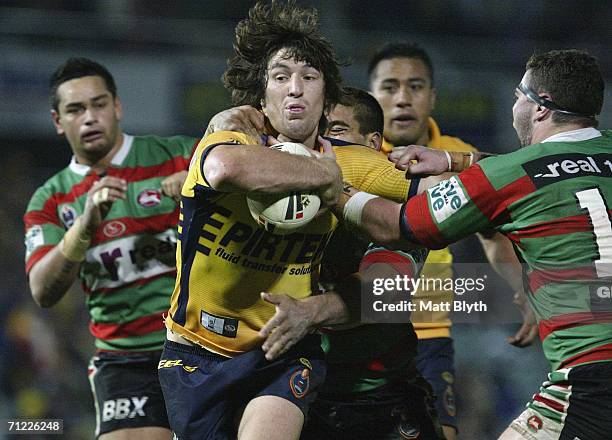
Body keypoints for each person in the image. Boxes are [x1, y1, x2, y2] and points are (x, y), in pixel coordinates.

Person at [156, 2, 443, 439]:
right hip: (195, 353)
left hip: (283, 351)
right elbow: (224, 171)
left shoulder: (353, 162)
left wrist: (461, 165)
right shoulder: (228, 140)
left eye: (309, 78)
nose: (295, 89)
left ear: (326, 100)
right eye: (281, 77)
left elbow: (445, 195)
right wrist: (323, 176)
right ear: (262, 96)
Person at [337, 49, 612, 440]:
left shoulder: (504, 176)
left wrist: (336, 189)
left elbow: (399, 225)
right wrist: (457, 161)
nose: (514, 102)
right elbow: (551, 166)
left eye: (520, 94)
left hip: (590, 381)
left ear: (540, 108)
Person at [23, 57, 198, 439]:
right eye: (75, 109)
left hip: (200, 342)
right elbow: (42, 290)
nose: (89, 117)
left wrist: (202, 188)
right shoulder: (50, 200)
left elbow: (250, 197)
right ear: (58, 121)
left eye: (98, 104)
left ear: (117, 107)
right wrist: (83, 228)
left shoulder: (179, 155)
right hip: (126, 361)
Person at [368, 42, 532, 439]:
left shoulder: (460, 156)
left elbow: (493, 236)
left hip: (427, 334)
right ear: (371, 95)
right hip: (354, 330)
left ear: (433, 95)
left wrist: (521, 292)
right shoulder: (350, 150)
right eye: (389, 87)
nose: (403, 98)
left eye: (416, 86)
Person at [290, 86, 443, 439]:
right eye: (320, 132)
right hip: (294, 391)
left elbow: (382, 291)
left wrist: (308, 312)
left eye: (339, 132)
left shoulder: (400, 209)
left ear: (373, 145)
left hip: (379, 398)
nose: (327, 144)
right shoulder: (286, 200)